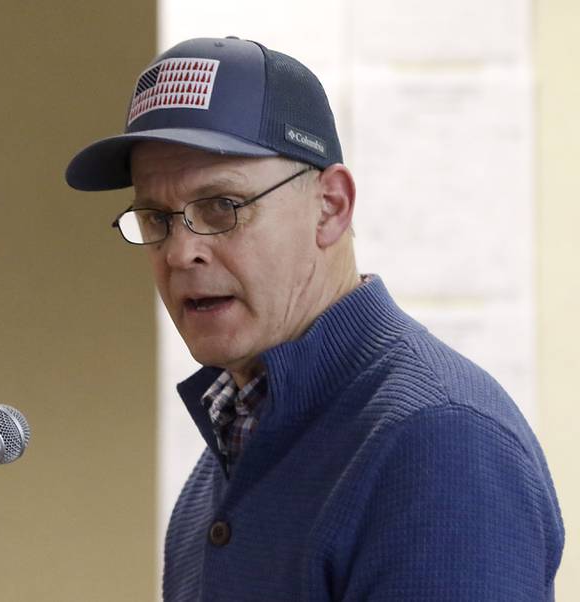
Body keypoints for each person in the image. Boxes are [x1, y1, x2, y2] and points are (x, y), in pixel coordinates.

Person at [65, 37, 564, 601]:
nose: (180, 253)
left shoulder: (439, 442)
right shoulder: (230, 451)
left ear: (331, 207)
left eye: (221, 207)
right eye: (156, 217)